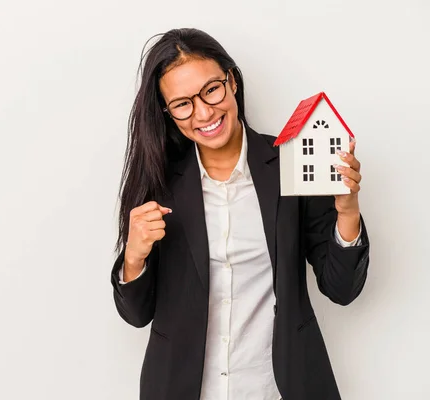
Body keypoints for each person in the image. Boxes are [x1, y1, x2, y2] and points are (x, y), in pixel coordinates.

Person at [110, 28, 370, 400]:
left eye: (211, 89)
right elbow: (136, 315)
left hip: (276, 388)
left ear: (231, 81)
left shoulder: (287, 167)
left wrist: (346, 208)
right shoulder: (159, 181)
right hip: (182, 388)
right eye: (183, 104)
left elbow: (342, 289)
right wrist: (134, 255)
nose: (203, 112)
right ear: (168, 113)